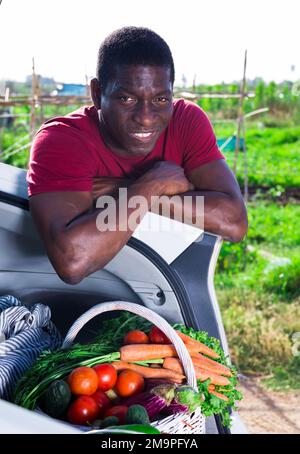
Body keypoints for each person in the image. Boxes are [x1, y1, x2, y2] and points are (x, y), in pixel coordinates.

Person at [27, 26, 248, 285]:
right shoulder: (63, 139)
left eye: (160, 100)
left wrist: (127, 191)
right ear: (97, 94)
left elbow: (234, 222)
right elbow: (74, 261)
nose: (145, 118)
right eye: (127, 99)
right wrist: (153, 184)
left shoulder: (185, 120)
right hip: (81, 297)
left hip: (166, 290)